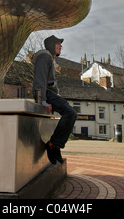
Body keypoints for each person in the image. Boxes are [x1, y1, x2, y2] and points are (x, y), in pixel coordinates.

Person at [33, 35, 77, 164]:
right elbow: (39, 81)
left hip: (51, 94)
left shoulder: (50, 58)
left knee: (70, 114)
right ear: (52, 45)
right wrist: (43, 101)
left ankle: (56, 146)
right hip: (46, 93)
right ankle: (52, 145)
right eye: (58, 43)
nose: (61, 46)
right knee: (70, 113)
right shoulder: (44, 56)